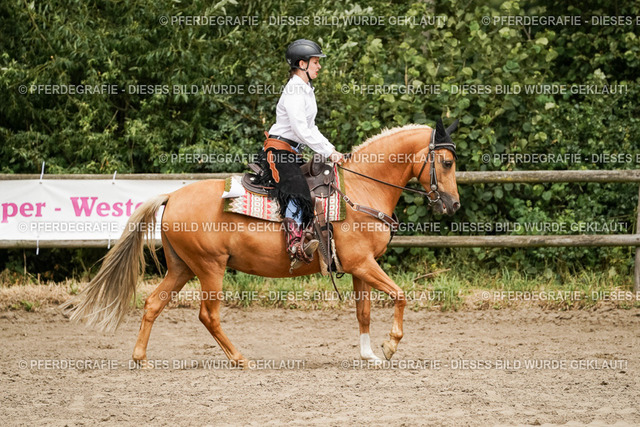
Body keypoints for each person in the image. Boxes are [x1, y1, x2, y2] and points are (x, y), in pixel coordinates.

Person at [260, 39, 344, 271]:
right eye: (315, 62)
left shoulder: (306, 90)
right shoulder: (295, 90)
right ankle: (295, 245)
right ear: (301, 64)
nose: (319, 66)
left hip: (292, 151)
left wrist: (331, 150)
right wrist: (328, 151)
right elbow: (300, 130)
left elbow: (311, 128)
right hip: (279, 152)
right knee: (296, 189)